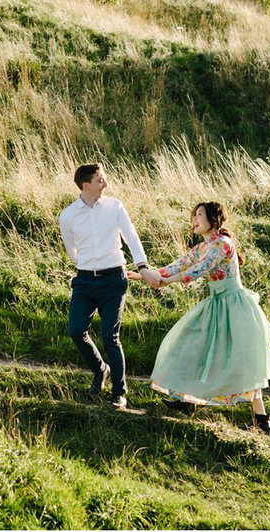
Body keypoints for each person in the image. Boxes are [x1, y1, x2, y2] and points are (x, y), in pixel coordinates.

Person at [129, 201, 270, 433]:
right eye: (193, 215)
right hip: (217, 303)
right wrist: (142, 276)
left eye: (199, 215)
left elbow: (199, 270)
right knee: (190, 343)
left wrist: (165, 282)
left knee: (242, 362)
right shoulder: (202, 246)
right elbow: (177, 265)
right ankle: (187, 401)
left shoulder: (223, 244)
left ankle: (261, 420)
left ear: (213, 220)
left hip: (234, 305)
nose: (194, 219)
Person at [59, 163, 162, 410]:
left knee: (110, 337)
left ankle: (119, 392)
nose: (105, 184)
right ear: (86, 185)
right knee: (75, 330)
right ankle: (100, 370)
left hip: (114, 280)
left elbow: (131, 237)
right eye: (100, 180)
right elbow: (71, 250)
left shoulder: (115, 207)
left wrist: (143, 266)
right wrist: (87, 263)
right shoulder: (68, 215)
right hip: (84, 280)